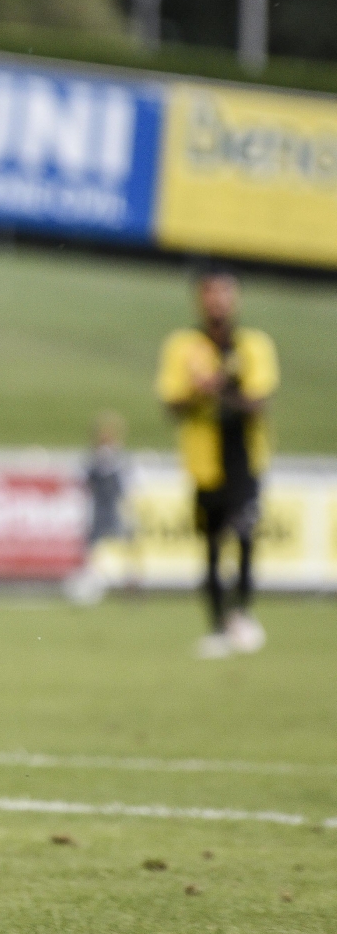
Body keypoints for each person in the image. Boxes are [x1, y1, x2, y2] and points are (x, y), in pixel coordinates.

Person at [156, 268, 278, 659]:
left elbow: (259, 402)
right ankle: (216, 626)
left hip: (245, 458)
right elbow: (171, 404)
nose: (217, 301)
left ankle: (242, 613)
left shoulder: (253, 345)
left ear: (236, 297)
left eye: (224, 293)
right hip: (204, 461)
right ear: (199, 298)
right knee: (209, 546)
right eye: (210, 293)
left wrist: (220, 387)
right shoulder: (183, 346)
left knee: (244, 535)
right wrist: (197, 392)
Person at [70, 410, 133, 603]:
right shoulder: (99, 460)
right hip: (100, 511)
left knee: (121, 548)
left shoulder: (111, 460)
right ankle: (100, 586)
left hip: (110, 510)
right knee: (96, 551)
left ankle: (129, 586)